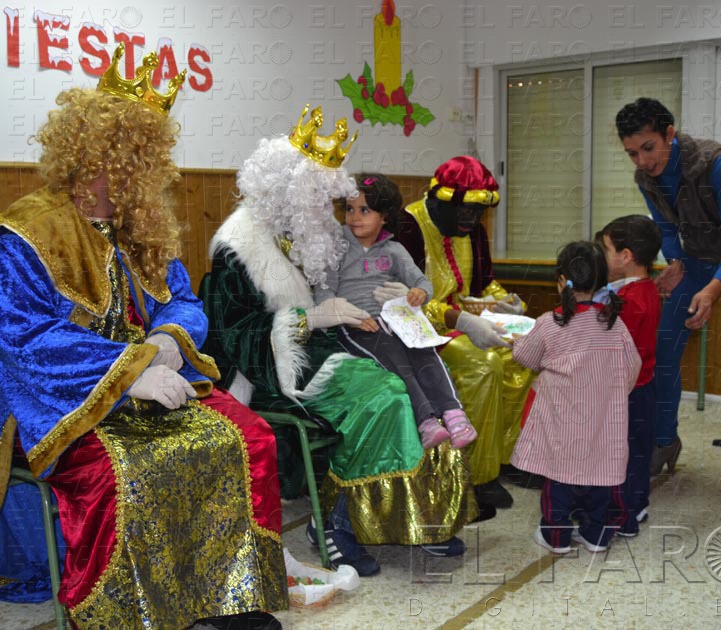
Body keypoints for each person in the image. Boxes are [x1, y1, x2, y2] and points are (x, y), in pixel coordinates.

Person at [0, 44, 286, 629]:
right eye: (138, 157)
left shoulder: (141, 225)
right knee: (124, 473)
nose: (152, 172)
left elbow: (183, 299)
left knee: (249, 436)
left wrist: (167, 343)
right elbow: (24, 339)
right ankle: (132, 612)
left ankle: (232, 594)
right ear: (96, 155)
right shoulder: (27, 231)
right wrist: (130, 370)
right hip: (63, 399)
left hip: (154, 376)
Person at [200, 106, 477, 578]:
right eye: (312, 197)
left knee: (427, 379)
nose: (323, 211)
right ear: (282, 193)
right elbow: (236, 340)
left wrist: (396, 300)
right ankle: (336, 525)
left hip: (342, 344)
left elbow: (373, 268)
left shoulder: (314, 235)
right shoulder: (239, 250)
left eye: (322, 198)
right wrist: (310, 318)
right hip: (277, 370)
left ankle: (421, 520)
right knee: (387, 395)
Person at [616, 97, 721, 515]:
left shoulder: (716, 165)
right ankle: (665, 441)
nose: (642, 160)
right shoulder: (645, 177)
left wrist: (710, 291)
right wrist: (674, 263)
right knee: (660, 352)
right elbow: (668, 229)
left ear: (670, 134)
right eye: (632, 152)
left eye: (648, 148)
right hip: (697, 260)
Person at [395, 156, 536, 509]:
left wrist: (507, 303)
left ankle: (507, 459)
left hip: (459, 325)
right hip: (416, 336)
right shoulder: (407, 227)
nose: (471, 221)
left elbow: (483, 284)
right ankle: (474, 476)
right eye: (465, 211)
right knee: (483, 364)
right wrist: (460, 320)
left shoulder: (471, 231)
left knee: (521, 354)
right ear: (440, 199)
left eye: (477, 214)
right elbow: (401, 301)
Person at [314, 173, 475, 450]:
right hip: (355, 325)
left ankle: (454, 415)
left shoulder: (395, 250)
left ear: (385, 216)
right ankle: (426, 421)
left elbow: (423, 283)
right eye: (350, 209)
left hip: (395, 318)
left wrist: (418, 294)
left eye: (365, 210)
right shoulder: (336, 249)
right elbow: (324, 291)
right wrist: (344, 313)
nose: (354, 217)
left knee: (424, 350)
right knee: (395, 356)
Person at [510, 241, 641, 554]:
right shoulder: (615, 324)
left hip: (562, 423)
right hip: (602, 421)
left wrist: (517, 342)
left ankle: (556, 538)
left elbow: (525, 357)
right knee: (601, 478)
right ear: (602, 282)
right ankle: (596, 537)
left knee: (558, 482)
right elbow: (632, 366)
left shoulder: (549, 323)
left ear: (560, 280)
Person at [597, 215, 662, 537]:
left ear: (626, 256)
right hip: (644, 386)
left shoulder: (629, 302)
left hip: (627, 391)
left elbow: (612, 350)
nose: (604, 255)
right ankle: (638, 504)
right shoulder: (647, 289)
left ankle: (621, 518)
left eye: (607, 249)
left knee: (622, 455)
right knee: (638, 451)